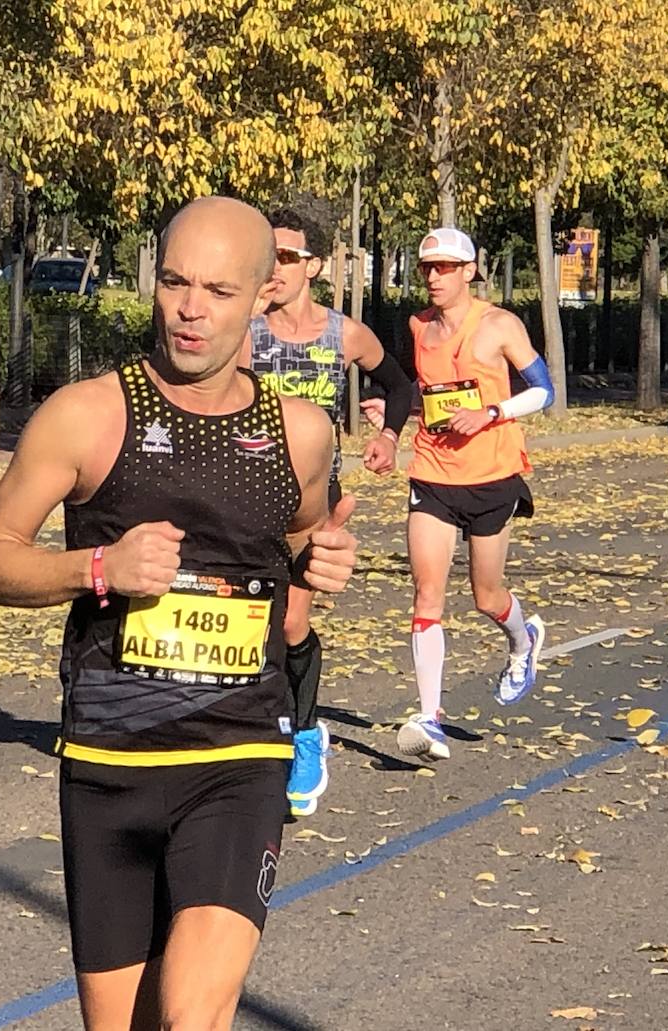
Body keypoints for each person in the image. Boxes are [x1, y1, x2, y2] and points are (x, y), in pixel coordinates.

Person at [0, 196, 359, 1031]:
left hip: (238, 755)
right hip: (109, 763)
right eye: (175, 282)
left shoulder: (300, 432)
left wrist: (320, 564)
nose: (190, 308)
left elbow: (300, 543)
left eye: (218, 289)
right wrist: (97, 566)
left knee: (192, 1016)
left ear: (264, 294)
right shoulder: (87, 414)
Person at [240, 207, 413, 817]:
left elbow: (401, 386)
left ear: (313, 265)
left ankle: (307, 736)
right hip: (242, 496)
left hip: (314, 504)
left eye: (286, 258)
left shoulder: (345, 335)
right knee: (242, 622)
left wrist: (389, 436)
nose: (276, 269)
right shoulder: (243, 330)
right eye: (267, 257)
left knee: (288, 626)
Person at [392, 228, 552, 762]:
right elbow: (428, 391)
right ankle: (429, 718)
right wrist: (400, 414)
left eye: (445, 267)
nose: (434, 277)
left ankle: (522, 639)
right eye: (427, 268)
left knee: (486, 596)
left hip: (491, 477)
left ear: (469, 270)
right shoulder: (417, 326)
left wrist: (490, 413)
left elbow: (544, 389)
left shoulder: (499, 325)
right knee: (426, 594)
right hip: (433, 475)